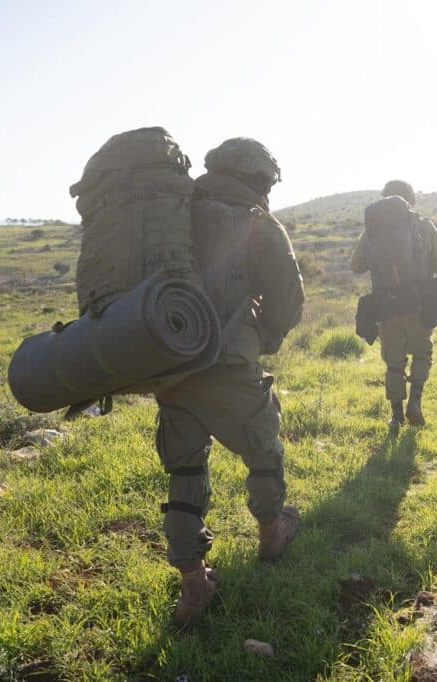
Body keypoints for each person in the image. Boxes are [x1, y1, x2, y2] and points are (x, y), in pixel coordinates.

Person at [154, 137, 305, 627]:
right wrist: (263, 336)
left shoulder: (172, 214)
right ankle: (271, 532)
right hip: (229, 365)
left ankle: (194, 585)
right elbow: (287, 304)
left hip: (170, 365)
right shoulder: (259, 223)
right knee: (264, 446)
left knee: (185, 471)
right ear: (258, 178)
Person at [351, 180, 437, 432]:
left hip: (385, 305)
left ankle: (395, 417)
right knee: (422, 352)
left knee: (394, 362)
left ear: (384, 199)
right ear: (411, 200)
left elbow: (356, 266)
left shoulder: (371, 231)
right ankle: (415, 401)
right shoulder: (424, 226)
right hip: (418, 302)